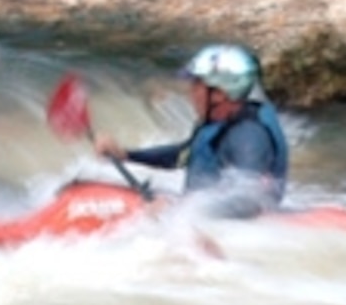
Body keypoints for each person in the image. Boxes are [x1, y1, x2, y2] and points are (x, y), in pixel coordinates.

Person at [97, 42, 291, 214]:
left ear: (219, 94)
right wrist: (127, 155)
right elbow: (184, 154)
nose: (191, 92)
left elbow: (248, 199)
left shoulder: (248, 136)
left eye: (197, 85)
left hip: (230, 232)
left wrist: (179, 209)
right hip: (210, 221)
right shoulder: (220, 122)